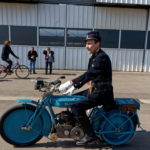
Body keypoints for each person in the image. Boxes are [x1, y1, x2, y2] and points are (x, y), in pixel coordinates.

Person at [59, 31, 116, 146]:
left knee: (76, 106)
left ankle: (91, 137)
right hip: (95, 89)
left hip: (102, 92)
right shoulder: (94, 57)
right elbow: (90, 75)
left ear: (97, 43)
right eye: (86, 43)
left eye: (90, 43)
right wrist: (75, 87)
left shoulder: (102, 57)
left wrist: (72, 83)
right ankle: (79, 125)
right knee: (73, 99)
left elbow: (90, 74)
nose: (87, 46)